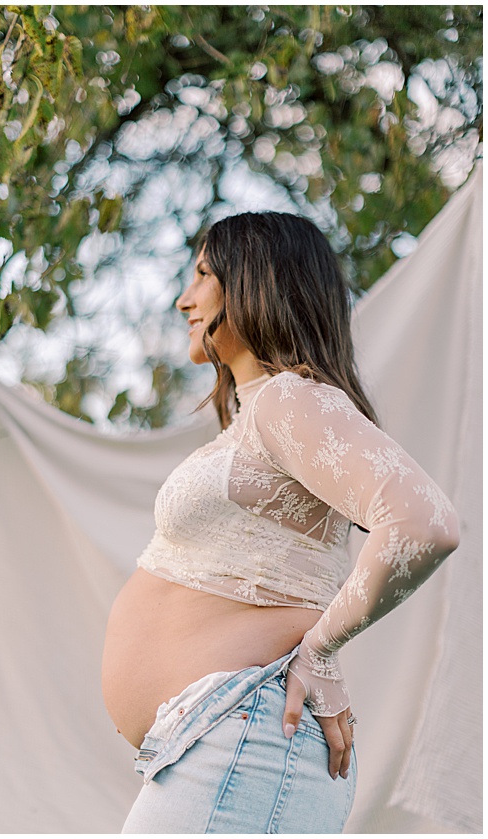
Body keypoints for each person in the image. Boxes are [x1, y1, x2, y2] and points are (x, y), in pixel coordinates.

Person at [101, 212, 460, 833]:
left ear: (256, 283)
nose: (184, 299)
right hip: (220, 742)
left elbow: (423, 522)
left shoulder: (289, 398)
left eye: (204, 275)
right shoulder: (260, 414)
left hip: (245, 736)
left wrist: (319, 651)